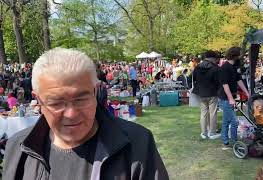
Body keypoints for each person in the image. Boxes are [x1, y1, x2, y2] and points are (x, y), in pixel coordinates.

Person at [3, 48, 168, 180]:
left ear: (96, 91)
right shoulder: (18, 148)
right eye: (56, 102)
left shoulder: (137, 144)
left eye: (81, 99)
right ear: (37, 100)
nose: (71, 114)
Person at [218, 47, 250, 147]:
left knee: (226, 120)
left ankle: (225, 140)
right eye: (240, 54)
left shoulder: (233, 67)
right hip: (225, 98)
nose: (242, 56)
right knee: (234, 121)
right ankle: (235, 141)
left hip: (230, 97)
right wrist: (231, 98)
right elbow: (224, 84)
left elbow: (238, 80)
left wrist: (247, 92)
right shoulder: (225, 67)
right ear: (235, 55)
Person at [192, 50, 221, 140]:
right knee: (213, 113)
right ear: (212, 58)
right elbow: (218, 81)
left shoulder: (197, 67)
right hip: (212, 93)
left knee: (203, 113)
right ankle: (212, 132)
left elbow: (193, 78)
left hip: (201, 93)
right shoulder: (215, 68)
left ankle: (204, 133)